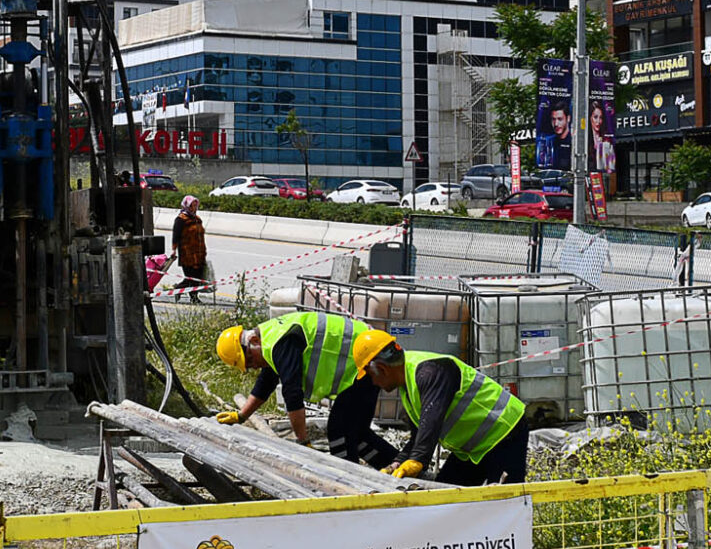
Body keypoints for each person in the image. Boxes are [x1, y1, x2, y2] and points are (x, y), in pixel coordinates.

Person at [216, 315, 398, 466]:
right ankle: (395, 466)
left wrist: (303, 441)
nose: (253, 367)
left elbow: (292, 394)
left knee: (340, 430)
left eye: (249, 361)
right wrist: (241, 416)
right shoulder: (270, 340)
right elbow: (267, 381)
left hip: (367, 358)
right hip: (367, 359)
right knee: (356, 432)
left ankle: (350, 484)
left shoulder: (280, 341)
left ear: (254, 341)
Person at [365, 344, 528, 486]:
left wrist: (418, 460)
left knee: (506, 501)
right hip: (474, 446)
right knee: (447, 500)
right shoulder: (408, 383)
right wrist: (397, 463)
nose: (373, 383)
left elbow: (432, 421)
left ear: (382, 369)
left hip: (505, 432)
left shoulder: (429, 371)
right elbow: (420, 434)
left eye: (371, 375)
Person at [170, 195, 212, 295]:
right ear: (186, 206)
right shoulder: (181, 219)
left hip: (199, 253)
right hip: (187, 254)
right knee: (191, 278)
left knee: (197, 278)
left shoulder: (197, 219)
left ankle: (193, 297)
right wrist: (174, 250)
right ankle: (178, 290)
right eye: (192, 206)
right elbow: (176, 236)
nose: (194, 208)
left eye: (195, 205)